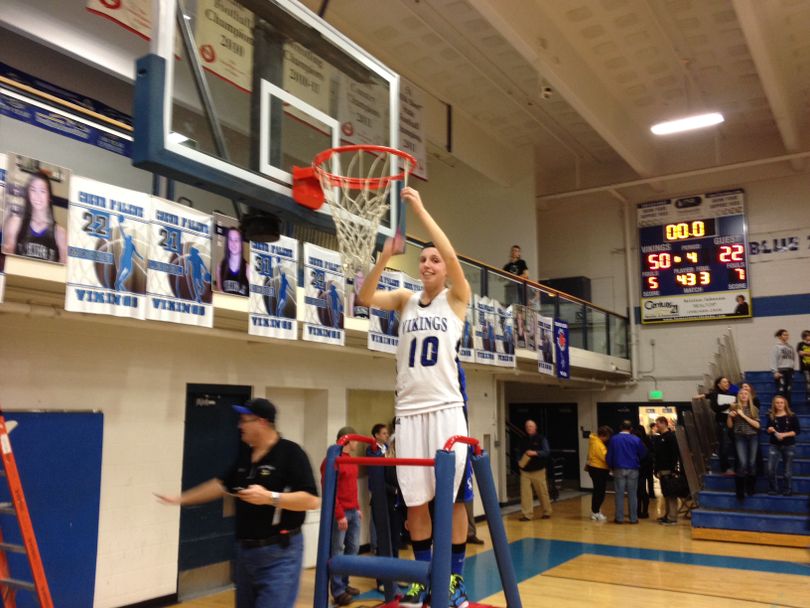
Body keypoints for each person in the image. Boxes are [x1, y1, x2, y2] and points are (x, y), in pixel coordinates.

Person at [357, 186, 472, 608]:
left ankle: (455, 580)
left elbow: (455, 258)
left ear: (443, 268)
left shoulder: (456, 300)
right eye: (422, 259)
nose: (427, 263)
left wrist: (420, 210)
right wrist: (385, 256)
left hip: (444, 411)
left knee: (454, 499)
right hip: (408, 414)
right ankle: (424, 578)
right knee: (415, 504)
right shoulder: (405, 300)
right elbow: (365, 297)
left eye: (433, 259)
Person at [156, 398, 319, 608]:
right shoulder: (245, 454)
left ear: (261, 422)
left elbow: (312, 500)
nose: (239, 425)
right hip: (245, 554)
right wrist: (181, 499)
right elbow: (222, 485)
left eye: (244, 420)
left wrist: (271, 497)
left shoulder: (291, 453)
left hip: (280, 555)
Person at [321, 426, 361, 606]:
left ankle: (344, 584)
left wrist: (358, 507)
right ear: (347, 440)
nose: (357, 443)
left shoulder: (351, 460)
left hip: (353, 512)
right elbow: (330, 490)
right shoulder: (331, 461)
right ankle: (337, 591)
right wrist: (339, 515)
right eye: (355, 439)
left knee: (353, 549)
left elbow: (352, 486)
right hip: (342, 513)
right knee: (336, 551)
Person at [2, 171, 67, 263]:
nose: (37, 196)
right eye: (33, 190)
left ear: (49, 196)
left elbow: (64, 269)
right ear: (28, 194)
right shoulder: (15, 223)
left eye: (42, 191)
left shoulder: (59, 233)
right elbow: (8, 255)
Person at [606, 420, 647, 524]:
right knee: (633, 494)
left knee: (619, 494)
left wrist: (610, 466)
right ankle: (633, 518)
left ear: (620, 427)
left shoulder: (614, 439)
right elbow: (643, 453)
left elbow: (609, 455)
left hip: (618, 468)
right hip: (633, 468)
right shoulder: (636, 439)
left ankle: (619, 518)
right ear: (631, 429)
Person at [696, 376, 738, 475]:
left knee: (736, 444)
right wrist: (729, 405)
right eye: (724, 382)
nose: (726, 384)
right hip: (722, 422)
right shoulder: (716, 394)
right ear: (719, 384)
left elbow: (739, 393)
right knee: (724, 445)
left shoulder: (732, 392)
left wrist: (704, 395)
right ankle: (725, 468)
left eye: (727, 382)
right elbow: (716, 408)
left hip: (733, 421)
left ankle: (736, 466)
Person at [728, 386, 761, 500]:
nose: (743, 395)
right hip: (739, 436)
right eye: (741, 394)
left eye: (746, 394)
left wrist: (742, 415)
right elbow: (730, 426)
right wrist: (729, 417)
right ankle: (740, 490)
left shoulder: (754, 409)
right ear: (738, 396)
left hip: (753, 436)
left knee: (752, 462)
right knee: (742, 462)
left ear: (749, 396)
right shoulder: (734, 407)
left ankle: (751, 487)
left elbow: (757, 425)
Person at [517, 419, 552, 521]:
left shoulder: (541, 439)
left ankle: (547, 512)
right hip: (525, 471)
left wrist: (535, 453)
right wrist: (519, 461)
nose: (529, 428)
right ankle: (527, 515)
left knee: (542, 492)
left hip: (538, 470)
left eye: (531, 426)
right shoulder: (522, 439)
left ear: (535, 427)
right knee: (525, 494)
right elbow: (518, 451)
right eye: (527, 426)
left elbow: (546, 452)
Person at [766, 395, 801, 496]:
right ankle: (774, 489)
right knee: (770, 468)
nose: (779, 404)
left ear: (785, 404)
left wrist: (784, 434)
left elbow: (797, 431)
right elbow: (767, 430)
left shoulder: (792, 416)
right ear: (774, 404)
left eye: (781, 402)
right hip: (774, 445)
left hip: (789, 445)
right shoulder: (771, 416)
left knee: (787, 469)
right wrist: (769, 430)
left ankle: (787, 489)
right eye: (777, 403)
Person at [652, 416, 681, 526]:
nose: (656, 426)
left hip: (668, 470)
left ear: (664, 424)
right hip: (662, 470)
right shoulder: (660, 438)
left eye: (658, 423)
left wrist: (674, 469)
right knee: (666, 493)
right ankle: (667, 514)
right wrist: (656, 469)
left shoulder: (671, 437)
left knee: (671, 493)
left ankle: (672, 517)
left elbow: (674, 454)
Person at [585, 426, 611, 521]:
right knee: (599, 492)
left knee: (598, 491)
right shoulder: (598, 444)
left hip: (595, 469)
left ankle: (596, 511)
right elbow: (605, 457)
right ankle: (595, 512)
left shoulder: (595, 441)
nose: (608, 439)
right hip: (598, 469)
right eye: (607, 437)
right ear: (603, 436)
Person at [216, 227, 249, 296]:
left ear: (241, 243)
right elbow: (220, 294)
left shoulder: (248, 268)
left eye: (236, 240)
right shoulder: (220, 267)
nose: (233, 243)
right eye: (230, 240)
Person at [633, 425, 654, 519]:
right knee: (643, 491)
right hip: (645, 469)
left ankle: (639, 511)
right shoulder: (646, 442)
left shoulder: (638, 445)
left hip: (639, 470)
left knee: (639, 491)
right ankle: (643, 511)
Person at [771, 329, 796, 404]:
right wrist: (775, 371)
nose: (787, 336)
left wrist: (793, 369)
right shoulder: (776, 347)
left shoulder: (790, 347)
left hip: (790, 371)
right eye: (784, 334)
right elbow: (773, 359)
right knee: (781, 391)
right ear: (779, 336)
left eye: (787, 335)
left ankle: (788, 408)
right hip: (781, 371)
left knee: (788, 390)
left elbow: (793, 359)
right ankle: (778, 408)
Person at [797, 330, 810, 404]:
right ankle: (809, 396)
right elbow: (800, 353)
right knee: (808, 381)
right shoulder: (800, 344)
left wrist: (805, 353)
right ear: (804, 336)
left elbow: (803, 353)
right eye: (808, 335)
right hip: (805, 367)